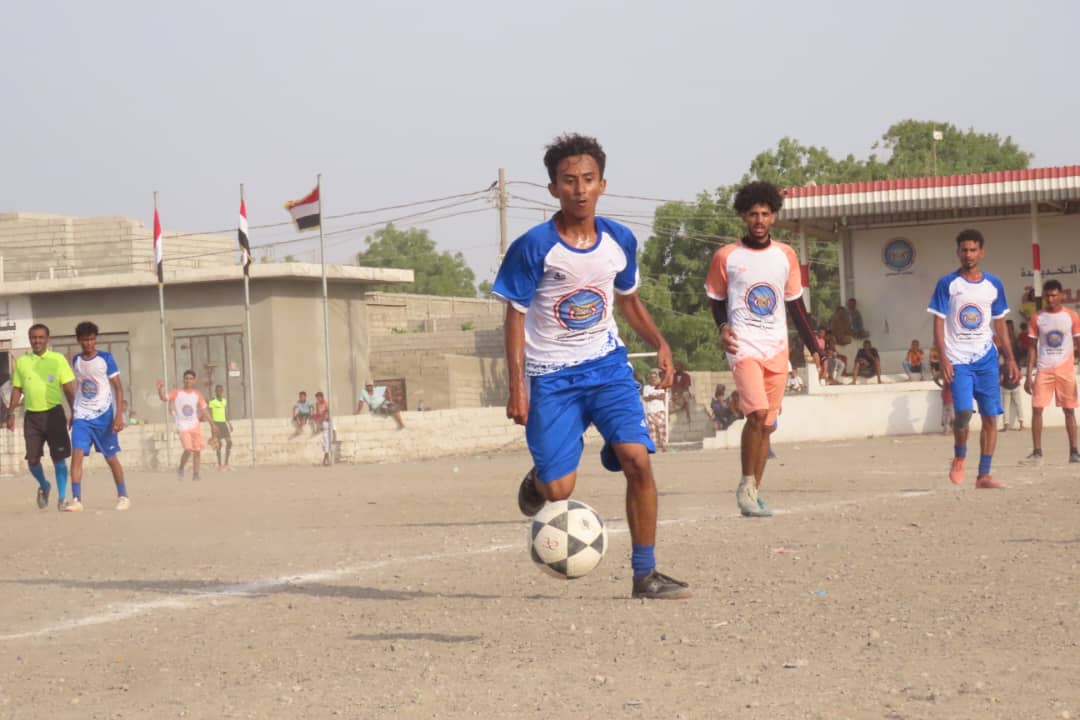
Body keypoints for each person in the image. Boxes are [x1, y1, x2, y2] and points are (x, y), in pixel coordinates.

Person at [494, 133, 689, 599]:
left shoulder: (620, 240)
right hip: (551, 377)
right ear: (553, 189)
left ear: (602, 184)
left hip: (607, 367)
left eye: (588, 179)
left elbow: (628, 300)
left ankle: (645, 574)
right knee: (559, 490)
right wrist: (517, 386)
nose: (579, 189)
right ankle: (541, 477)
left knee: (637, 460)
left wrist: (659, 341)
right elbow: (514, 316)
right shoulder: (533, 246)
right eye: (568, 181)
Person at [706, 180, 822, 518]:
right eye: (753, 214)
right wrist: (722, 327)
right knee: (755, 413)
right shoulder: (727, 256)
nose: (759, 220)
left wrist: (814, 346)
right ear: (743, 216)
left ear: (774, 216)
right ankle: (745, 485)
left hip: (777, 347)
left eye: (766, 214)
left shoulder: (785, 255)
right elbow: (716, 300)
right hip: (743, 345)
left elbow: (795, 304)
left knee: (768, 425)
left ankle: (753, 491)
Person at [928, 228, 1019, 489]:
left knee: (991, 417)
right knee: (964, 413)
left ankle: (983, 476)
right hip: (958, 360)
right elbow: (938, 323)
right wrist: (944, 359)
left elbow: (1000, 324)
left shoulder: (994, 284)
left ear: (981, 252)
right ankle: (959, 455)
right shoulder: (948, 284)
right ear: (958, 252)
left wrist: (1010, 358)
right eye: (964, 250)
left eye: (973, 250)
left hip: (986, 359)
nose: (968, 254)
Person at [6, 324, 75, 510]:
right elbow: (17, 389)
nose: (37, 341)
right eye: (34, 337)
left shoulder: (58, 359)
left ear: (47, 339)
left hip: (54, 414)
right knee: (32, 460)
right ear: (30, 339)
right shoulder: (22, 362)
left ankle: (62, 498)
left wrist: (74, 411)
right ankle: (44, 485)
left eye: (41, 337)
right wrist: (10, 413)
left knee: (59, 459)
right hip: (32, 417)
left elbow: (68, 388)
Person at [67, 321, 129, 512]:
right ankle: (76, 499)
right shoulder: (76, 360)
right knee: (77, 455)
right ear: (79, 340)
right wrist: (73, 412)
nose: (89, 343)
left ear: (95, 339)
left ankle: (123, 496)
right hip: (82, 416)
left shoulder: (105, 359)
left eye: (92, 339)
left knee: (110, 458)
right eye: (85, 339)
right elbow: (80, 386)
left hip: (103, 416)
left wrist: (118, 416)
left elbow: (118, 388)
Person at [1021, 279, 1080, 464]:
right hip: (1044, 369)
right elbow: (1032, 348)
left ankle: (1074, 452)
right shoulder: (1037, 317)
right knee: (1037, 409)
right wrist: (1028, 376)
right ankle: (1037, 453)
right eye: (1048, 296)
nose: (1051, 299)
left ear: (1061, 295)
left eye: (1054, 295)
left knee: (1069, 410)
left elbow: (1079, 343)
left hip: (1065, 370)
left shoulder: (1072, 316)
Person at [157, 370, 215, 481]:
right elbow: (164, 398)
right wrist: (160, 390)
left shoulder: (197, 394)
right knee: (188, 449)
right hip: (183, 426)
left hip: (195, 425)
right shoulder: (177, 392)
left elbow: (204, 410)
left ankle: (196, 474)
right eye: (187, 378)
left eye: (191, 379)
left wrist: (212, 424)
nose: (188, 380)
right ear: (183, 380)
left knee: (197, 450)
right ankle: (181, 468)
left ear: (194, 380)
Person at [641, 369, 668, 452]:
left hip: (659, 410)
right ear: (649, 378)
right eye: (651, 377)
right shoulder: (646, 387)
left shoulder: (661, 386)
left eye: (655, 377)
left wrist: (652, 396)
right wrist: (655, 396)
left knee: (661, 428)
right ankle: (654, 446)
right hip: (650, 411)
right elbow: (646, 398)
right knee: (652, 430)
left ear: (657, 378)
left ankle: (663, 445)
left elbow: (662, 396)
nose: (653, 379)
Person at [208, 384, 233, 469]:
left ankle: (226, 463)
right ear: (215, 392)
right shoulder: (212, 401)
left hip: (223, 424)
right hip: (216, 424)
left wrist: (229, 423)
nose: (219, 392)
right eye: (217, 390)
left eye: (220, 390)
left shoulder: (224, 401)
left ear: (222, 391)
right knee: (219, 444)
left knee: (229, 442)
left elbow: (225, 412)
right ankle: (219, 464)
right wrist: (212, 426)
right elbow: (210, 413)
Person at [999, 353, 1023, 432]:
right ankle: (1021, 424)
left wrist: (999, 384)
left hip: (1006, 388)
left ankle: (1006, 426)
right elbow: (1020, 376)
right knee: (1018, 405)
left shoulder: (1002, 367)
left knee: (1005, 407)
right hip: (1015, 387)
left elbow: (1001, 379)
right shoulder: (1016, 365)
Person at [312, 390, 332, 466]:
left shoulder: (325, 403)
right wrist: (317, 420)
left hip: (326, 421)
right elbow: (317, 413)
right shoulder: (317, 404)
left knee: (326, 440)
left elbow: (327, 412)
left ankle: (326, 458)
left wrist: (321, 418)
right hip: (321, 422)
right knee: (324, 441)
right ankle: (326, 457)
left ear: (322, 397)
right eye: (317, 398)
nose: (318, 399)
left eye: (319, 398)